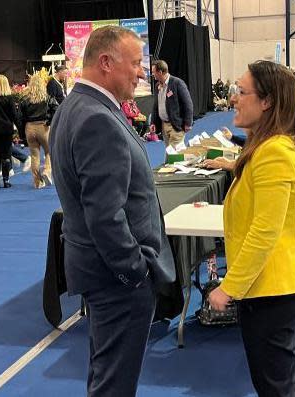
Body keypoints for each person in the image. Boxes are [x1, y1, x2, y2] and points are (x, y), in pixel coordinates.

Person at [49, 26, 176, 396]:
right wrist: (133, 273)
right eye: (136, 63)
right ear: (105, 62)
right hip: (116, 279)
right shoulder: (96, 118)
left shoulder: (77, 108)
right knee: (114, 384)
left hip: (99, 272)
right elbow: (105, 215)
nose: (141, 72)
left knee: (106, 375)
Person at [207, 60, 295, 397]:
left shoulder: (274, 152)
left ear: (267, 101)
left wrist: (229, 287)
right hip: (286, 285)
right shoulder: (271, 146)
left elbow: (265, 232)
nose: (234, 99)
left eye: (242, 92)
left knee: (276, 386)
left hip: (273, 290)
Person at [20, 74, 57, 188]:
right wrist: (50, 121)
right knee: (49, 151)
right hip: (43, 126)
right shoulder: (47, 97)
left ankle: (37, 182)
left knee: (34, 155)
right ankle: (47, 171)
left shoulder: (25, 99)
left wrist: (22, 132)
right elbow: (56, 108)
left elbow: (20, 116)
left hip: (30, 127)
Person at [150, 59, 194, 152]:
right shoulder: (157, 86)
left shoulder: (178, 83)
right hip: (164, 126)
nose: (152, 74)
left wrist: (188, 123)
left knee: (173, 156)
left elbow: (188, 104)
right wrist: (153, 122)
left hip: (176, 126)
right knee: (172, 153)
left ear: (160, 72)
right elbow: (156, 106)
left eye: (154, 72)